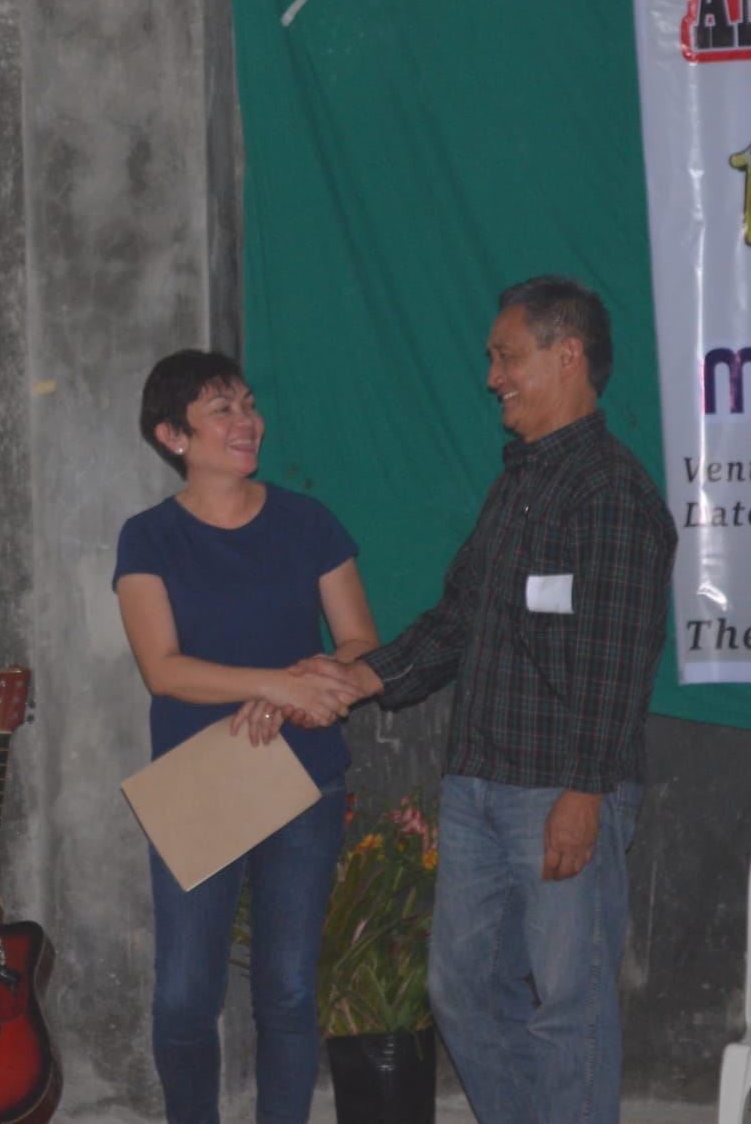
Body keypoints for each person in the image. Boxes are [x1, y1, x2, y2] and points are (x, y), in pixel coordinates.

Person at [296, 276, 676, 1124]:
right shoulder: (517, 484)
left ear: (566, 354)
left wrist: (585, 792)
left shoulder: (611, 493)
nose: (492, 376)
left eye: (506, 356)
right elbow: (460, 617)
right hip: (476, 786)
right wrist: (364, 676)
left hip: (562, 790)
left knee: (569, 1005)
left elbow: (619, 662)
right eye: (492, 359)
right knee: (460, 990)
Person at [113, 349, 380, 1124]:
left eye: (249, 404)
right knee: (183, 998)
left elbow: (361, 642)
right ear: (173, 435)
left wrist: (302, 685)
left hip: (305, 776)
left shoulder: (308, 521)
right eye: (222, 410)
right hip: (201, 779)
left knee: (288, 991)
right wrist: (272, 684)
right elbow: (164, 669)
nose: (247, 421)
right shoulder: (148, 537)